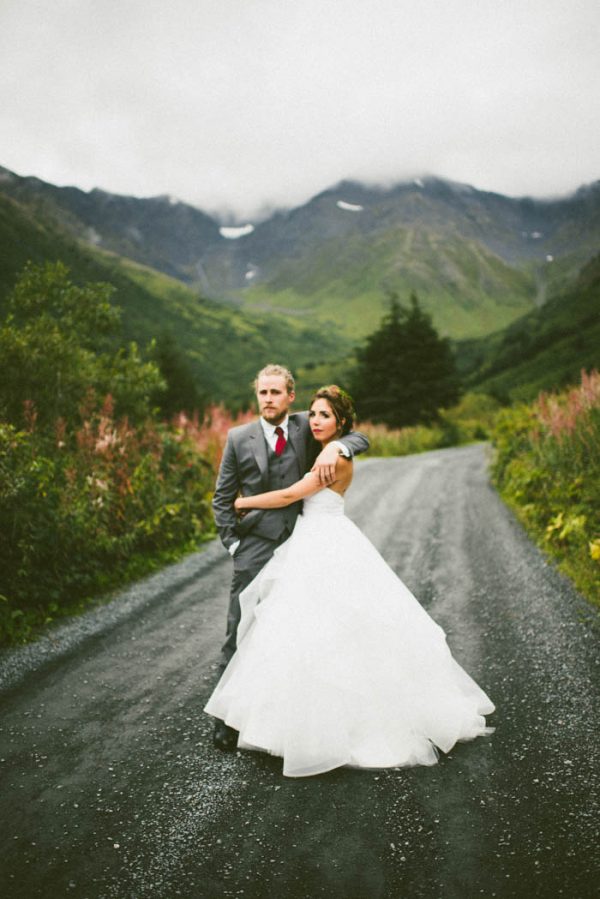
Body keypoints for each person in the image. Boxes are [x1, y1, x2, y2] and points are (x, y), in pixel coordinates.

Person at [205, 385, 495, 777]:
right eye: (314, 414)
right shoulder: (324, 444)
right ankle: (286, 719)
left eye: (325, 415)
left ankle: (333, 729)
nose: (316, 420)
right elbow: (346, 439)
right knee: (296, 631)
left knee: (333, 630)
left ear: (339, 421)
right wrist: (335, 444)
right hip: (311, 539)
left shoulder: (335, 459)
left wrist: (242, 502)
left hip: (326, 542)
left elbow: (291, 493)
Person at [211, 366, 370, 750]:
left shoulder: (307, 425)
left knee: (293, 631)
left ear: (289, 396)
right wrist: (233, 544)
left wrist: (340, 446)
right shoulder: (238, 438)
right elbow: (222, 497)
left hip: (300, 540)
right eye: (262, 392)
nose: (268, 399)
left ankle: (282, 712)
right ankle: (226, 720)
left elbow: (359, 435)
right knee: (242, 626)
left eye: (275, 392)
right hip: (255, 547)